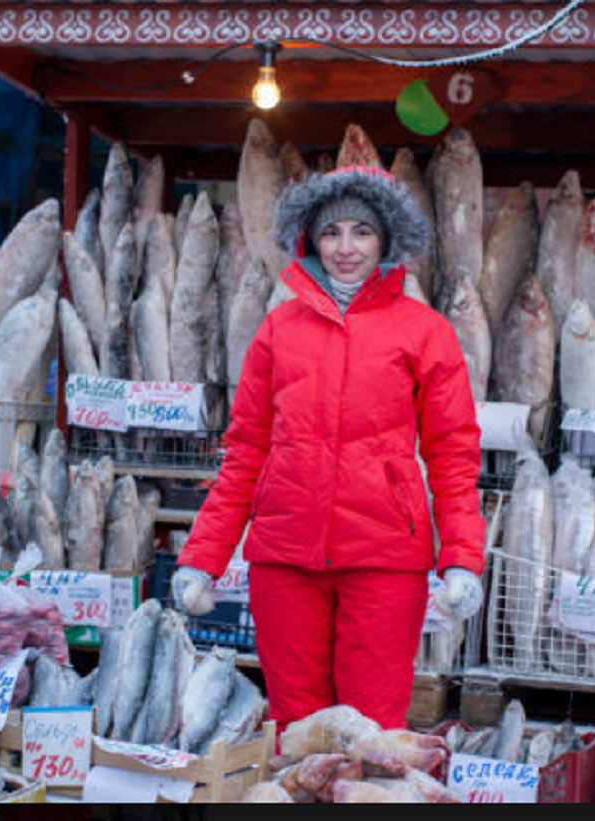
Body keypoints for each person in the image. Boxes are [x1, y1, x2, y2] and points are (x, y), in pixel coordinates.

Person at [171, 165, 485, 731]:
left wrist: (461, 557)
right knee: (300, 730)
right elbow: (245, 451)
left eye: (361, 232)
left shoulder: (425, 332)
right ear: (309, 238)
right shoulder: (277, 330)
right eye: (331, 231)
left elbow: (453, 455)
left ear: (386, 238)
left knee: (372, 730)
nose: (346, 248)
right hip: (284, 560)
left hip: (385, 559)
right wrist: (202, 556)